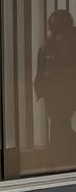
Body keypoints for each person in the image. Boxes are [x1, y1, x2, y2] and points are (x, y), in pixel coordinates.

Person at [34, 10, 76, 155]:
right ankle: (59, 153)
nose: (53, 31)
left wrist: (60, 72)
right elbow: (42, 64)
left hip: (67, 88)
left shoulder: (72, 41)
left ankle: (60, 154)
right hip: (52, 89)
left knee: (60, 123)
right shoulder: (49, 43)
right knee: (58, 123)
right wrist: (39, 85)